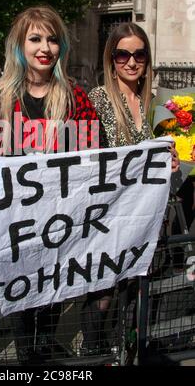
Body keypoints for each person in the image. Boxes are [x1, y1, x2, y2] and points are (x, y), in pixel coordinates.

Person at [0, 5, 99, 364]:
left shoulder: (75, 98)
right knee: (19, 288)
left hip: (61, 218)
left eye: (53, 39)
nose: (45, 47)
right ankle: (28, 353)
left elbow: (97, 156)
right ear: (19, 45)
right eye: (35, 38)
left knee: (54, 286)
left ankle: (45, 349)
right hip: (14, 218)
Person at [81, 22, 179, 357]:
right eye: (123, 54)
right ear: (111, 58)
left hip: (149, 218)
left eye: (139, 54)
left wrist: (173, 162)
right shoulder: (96, 100)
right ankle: (93, 355)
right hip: (109, 217)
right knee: (103, 295)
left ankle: (129, 352)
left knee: (137, 294)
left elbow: (171, 151)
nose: (131, 61)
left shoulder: (158, 103)